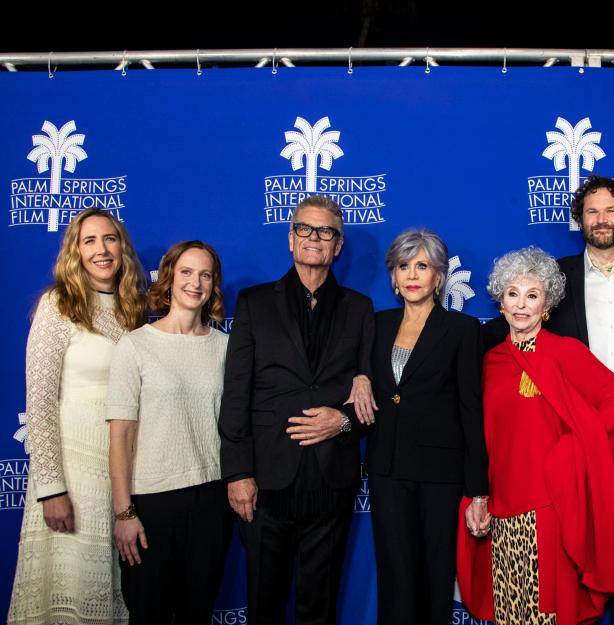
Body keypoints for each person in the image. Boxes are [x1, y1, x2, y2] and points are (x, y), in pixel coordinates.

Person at [481, 175, 614, 625]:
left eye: (610, 210)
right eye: (591, 211)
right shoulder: (554, 276)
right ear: (579, 219)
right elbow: (509, 336)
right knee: (556, 577)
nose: (601, 219)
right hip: (557, 460)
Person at [458, 246, 614, 625]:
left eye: (532, 296)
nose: (521, 305)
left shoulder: (567, 352)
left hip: (552, 503)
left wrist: (574, 448)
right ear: (500, 302)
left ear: (546, 304)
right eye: (513, 294)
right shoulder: (490, 361)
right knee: (510, 607)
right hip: (501, 501)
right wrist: (478, 494)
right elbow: (480, 432)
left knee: (550, 609)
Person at [218, 195, 376, 625]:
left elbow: (368, 399)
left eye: (326, 232)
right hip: (266, 482)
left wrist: (341, 420)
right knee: (264, 605)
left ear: (338, 246)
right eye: (305, 229)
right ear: (291, 239)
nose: (314, 238)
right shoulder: (253, 303)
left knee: (318, 609)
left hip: (330, 483)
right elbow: (236, 394)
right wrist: (237, 473)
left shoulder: (360, 310)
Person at [8, 207, 145, 624]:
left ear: (122, 248)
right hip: (72, 473)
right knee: (67, 593)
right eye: (90, 241)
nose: (102, 249)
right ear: (75, 252)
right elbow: (41, 401)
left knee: (109, 591)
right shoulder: (59, 305)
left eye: (110, 239)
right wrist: (51, 488)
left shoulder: (131, 311)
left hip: (118, 476)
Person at [366, 228, 489, 625]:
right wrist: (358, 377)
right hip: (387, 469)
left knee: (436, 577)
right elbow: (361, 379)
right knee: (395, 576)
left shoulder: (463, 330)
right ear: (394, 276)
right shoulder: (377, 324)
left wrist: (478, 488)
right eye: (404, 266)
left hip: (440, 474)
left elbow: (471, 409)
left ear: (439, 275)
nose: (412, 275)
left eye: (422, 265)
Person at [107, 240, 233, 624]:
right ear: (169, 278)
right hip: (151, 503)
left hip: (212, 498)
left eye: (205, 275)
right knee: (149, 613)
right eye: (187, 272)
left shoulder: (226, 348)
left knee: (198, 613)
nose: (196, 283)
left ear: (214, 284)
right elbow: (120, 437)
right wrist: (124, 511)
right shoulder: (135, 346)